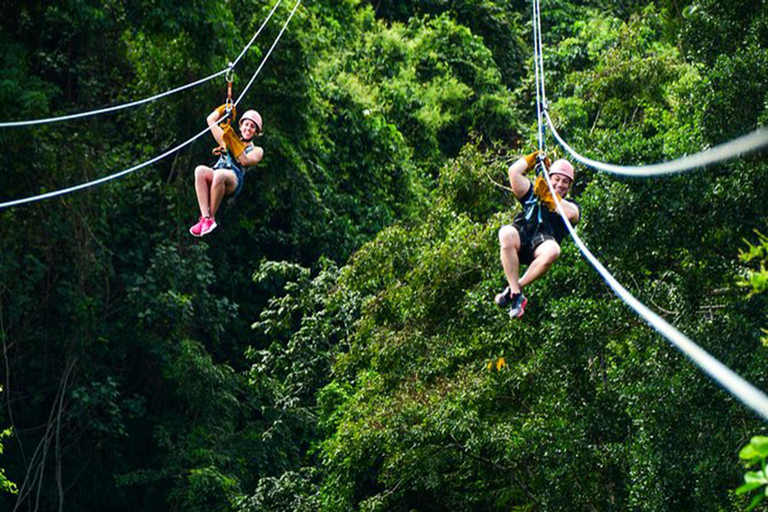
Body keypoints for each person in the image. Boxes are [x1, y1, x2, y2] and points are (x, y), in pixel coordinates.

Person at [495, 151, 580, 318]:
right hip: (522, 235)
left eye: (565, 182)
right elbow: (514, 173)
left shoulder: (570, 205)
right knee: (505, 233)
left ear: (569, 187)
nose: (560, 184)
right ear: (549, 177)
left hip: (541, 243)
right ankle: (515, 293)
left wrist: (548, 195)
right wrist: (532, 160)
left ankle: (516, 288)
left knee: (553, 251)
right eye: (556, 179)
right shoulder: (533, 194)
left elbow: (570, 214)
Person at [189, 104, 264, 237]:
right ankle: (205, 218)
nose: (248, 128)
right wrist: (223, 109)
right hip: (219, 169)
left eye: (252, 127)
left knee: (219, 175)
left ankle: (211, 218)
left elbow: (245, 161)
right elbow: (210, 120)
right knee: (199, 170)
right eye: (246, 124)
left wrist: (232, 140)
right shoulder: (228, 138)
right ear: (241, 126)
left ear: (256, 132)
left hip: (234, 178)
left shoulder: (256, 150)